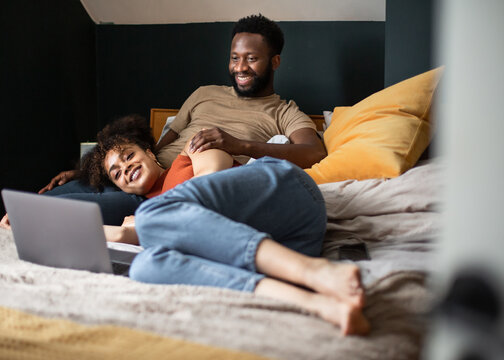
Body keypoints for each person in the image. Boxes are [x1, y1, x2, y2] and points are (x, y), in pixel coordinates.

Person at [82, 115, 369, 336]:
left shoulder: (191, 151)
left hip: (288, 194)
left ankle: (316, 273)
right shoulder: (150, 216)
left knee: (153, 217)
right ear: (120, 188)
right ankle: (316, 304)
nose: (126, 169)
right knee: (146, 267)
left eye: (129, 156)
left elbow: (210, 178)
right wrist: (128, 231)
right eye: (116, 173)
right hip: (290, 245)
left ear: (150, 152)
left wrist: (141, 226)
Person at [38, 14, 326, 225]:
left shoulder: (285, 112)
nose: (240, 67)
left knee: (52, 209)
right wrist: (87, 173)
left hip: (170, 191)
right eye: (235, 58)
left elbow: (313, 152)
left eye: (251, 59)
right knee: (56, 194)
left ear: (274, 62)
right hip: (139, 177)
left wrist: (240, 144)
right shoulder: (204, 93)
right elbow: (159, 145)